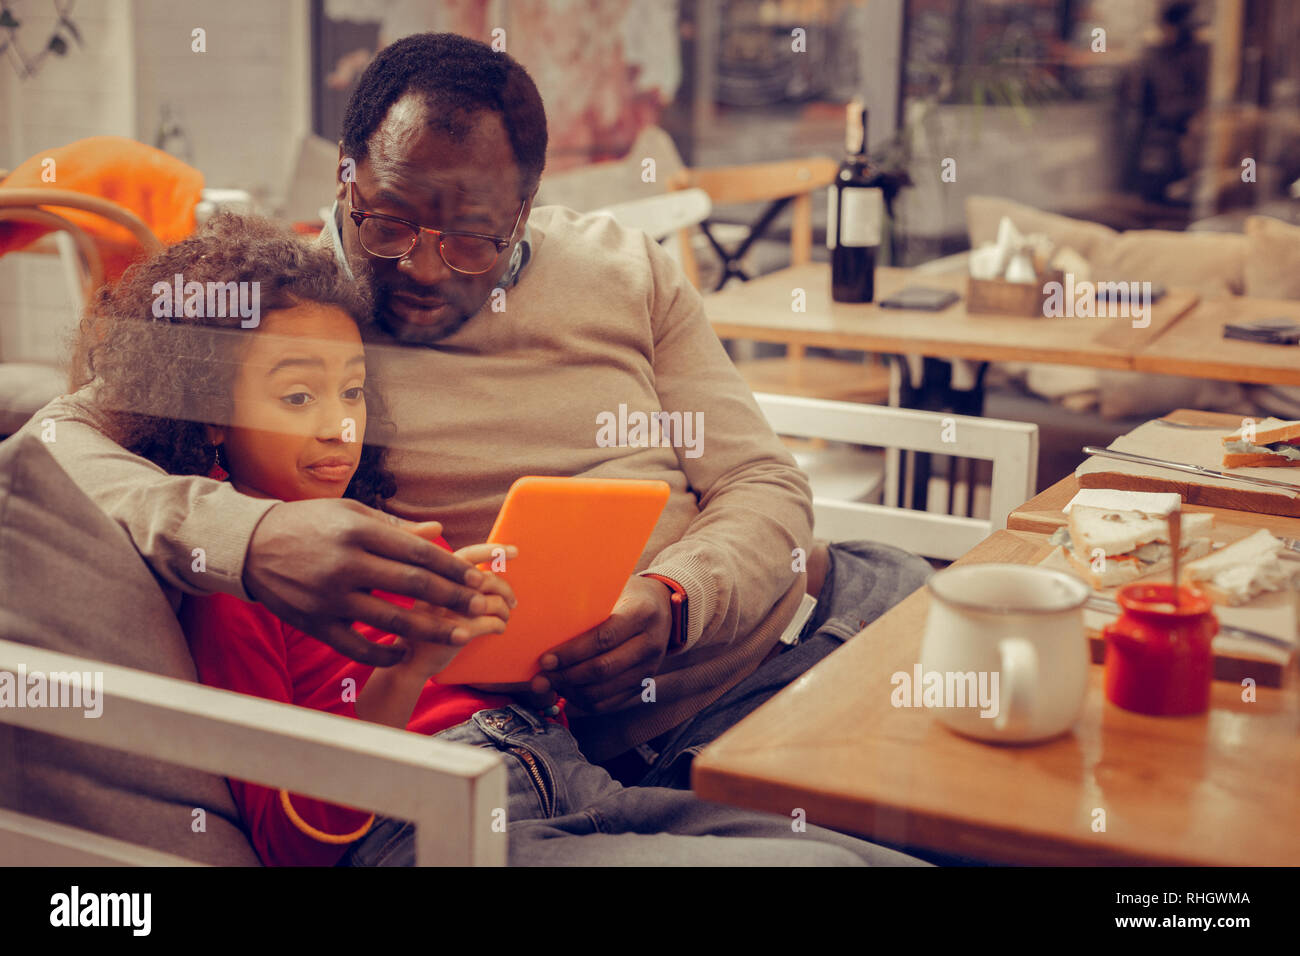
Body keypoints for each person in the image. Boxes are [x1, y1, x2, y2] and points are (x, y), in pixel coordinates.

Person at [23, 31, 931, 788]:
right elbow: (54, 439)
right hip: (670, 735)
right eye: (387, 221)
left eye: (469, 241)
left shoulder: (628, 268)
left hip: (832, 606)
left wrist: (677, 597)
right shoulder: (280, 312)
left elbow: (760, 479)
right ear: (345, 176)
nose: (421, 266)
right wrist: (249, 537)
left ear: (526, 210)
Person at [72, 212, 922, 866]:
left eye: (354, 393)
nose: (338, 427)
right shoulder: (245, 579)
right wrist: (407, 670)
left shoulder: (392, 530)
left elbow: (763, 483)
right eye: (297, 399)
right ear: (211, 415)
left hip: (566, 769)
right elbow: (301, 840)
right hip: (433, 818)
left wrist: (533, 631)